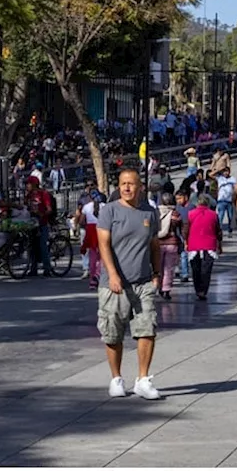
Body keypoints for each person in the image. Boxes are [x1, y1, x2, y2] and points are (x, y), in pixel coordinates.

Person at [97, 167, 163, 400]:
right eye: (122, 183)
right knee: (113, 333)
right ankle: (116, 378)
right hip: (114, 284)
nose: (126, 187)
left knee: (147, 328)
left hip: (142, 282)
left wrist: (157, 273)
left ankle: (143, 379)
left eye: (131, 184)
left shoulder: (149, 212)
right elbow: (103, 245)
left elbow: (155, 246)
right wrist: (113, 274)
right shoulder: (109, 211)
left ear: (140, 187)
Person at [186, 196, 221, 300]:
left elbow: (186, 229)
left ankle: (198, 289)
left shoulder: (191, 214)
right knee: (206, 269)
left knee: (195, 269)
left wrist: (185, 242)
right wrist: (220, 244)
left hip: (194, 244)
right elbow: (218, 231)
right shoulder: (214, 215)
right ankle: (203, 291)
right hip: (209, 244)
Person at [23, 176, 56, 277]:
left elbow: (49, 209)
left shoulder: (43, 194)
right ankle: (33, 268)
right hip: (32, 224)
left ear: (34, 184)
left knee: (42, 246)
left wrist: (42, 214)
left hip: (42, 223)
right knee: (32, 247)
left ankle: (47, 268)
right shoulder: (29, 195)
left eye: (28, 183)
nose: (26, 186)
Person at [155, 191, 184, 301]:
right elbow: (180, 228)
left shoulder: (156, 212)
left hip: (158, 243)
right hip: (172, 243)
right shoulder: (175, 214)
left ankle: (158, 287)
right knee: (169, 268)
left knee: (158, 267)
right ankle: (166, 289)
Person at [214, 166, 236, 236]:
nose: (226, 173)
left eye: (227, 171)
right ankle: (219, 230)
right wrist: (218, 169)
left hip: (229, 200)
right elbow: (210, 175)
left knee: (230, 216)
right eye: (224, 171)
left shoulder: (232, 179)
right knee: (220, 216)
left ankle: (230, 231)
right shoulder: (220, 178)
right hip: (221, 200)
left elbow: (235, 188)